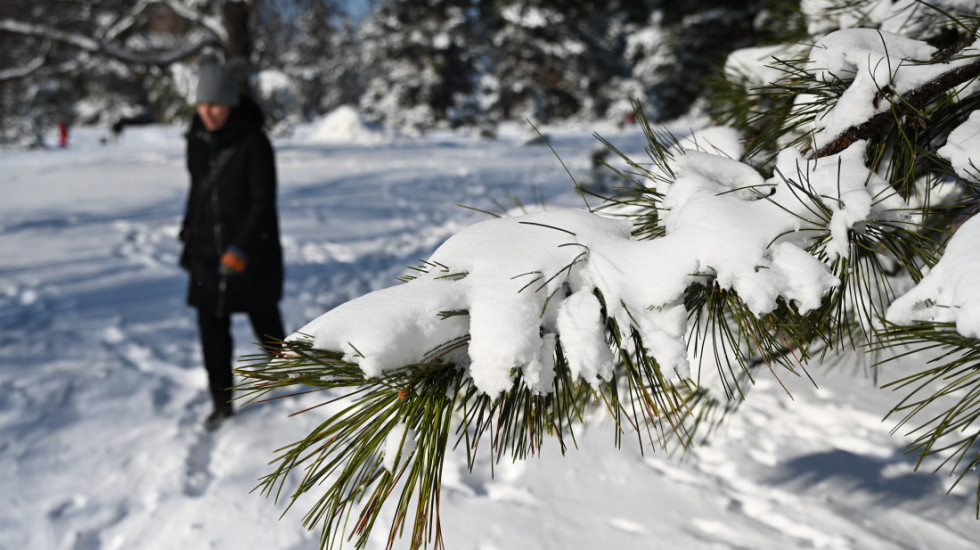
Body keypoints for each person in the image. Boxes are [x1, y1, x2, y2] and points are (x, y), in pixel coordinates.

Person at [180, 56, 285, 431]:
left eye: (216, 104)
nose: (208, 112)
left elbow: (262, 201)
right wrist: (188, 226)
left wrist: (240, 247)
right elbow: (198, 189)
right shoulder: (196, 140)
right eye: (203, 104)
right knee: (211, 331)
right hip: (206, 252)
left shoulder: (254, 142)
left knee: (264, 316)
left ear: (230, 103)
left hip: (250, 252)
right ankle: (220, 402)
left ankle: (289, 370)